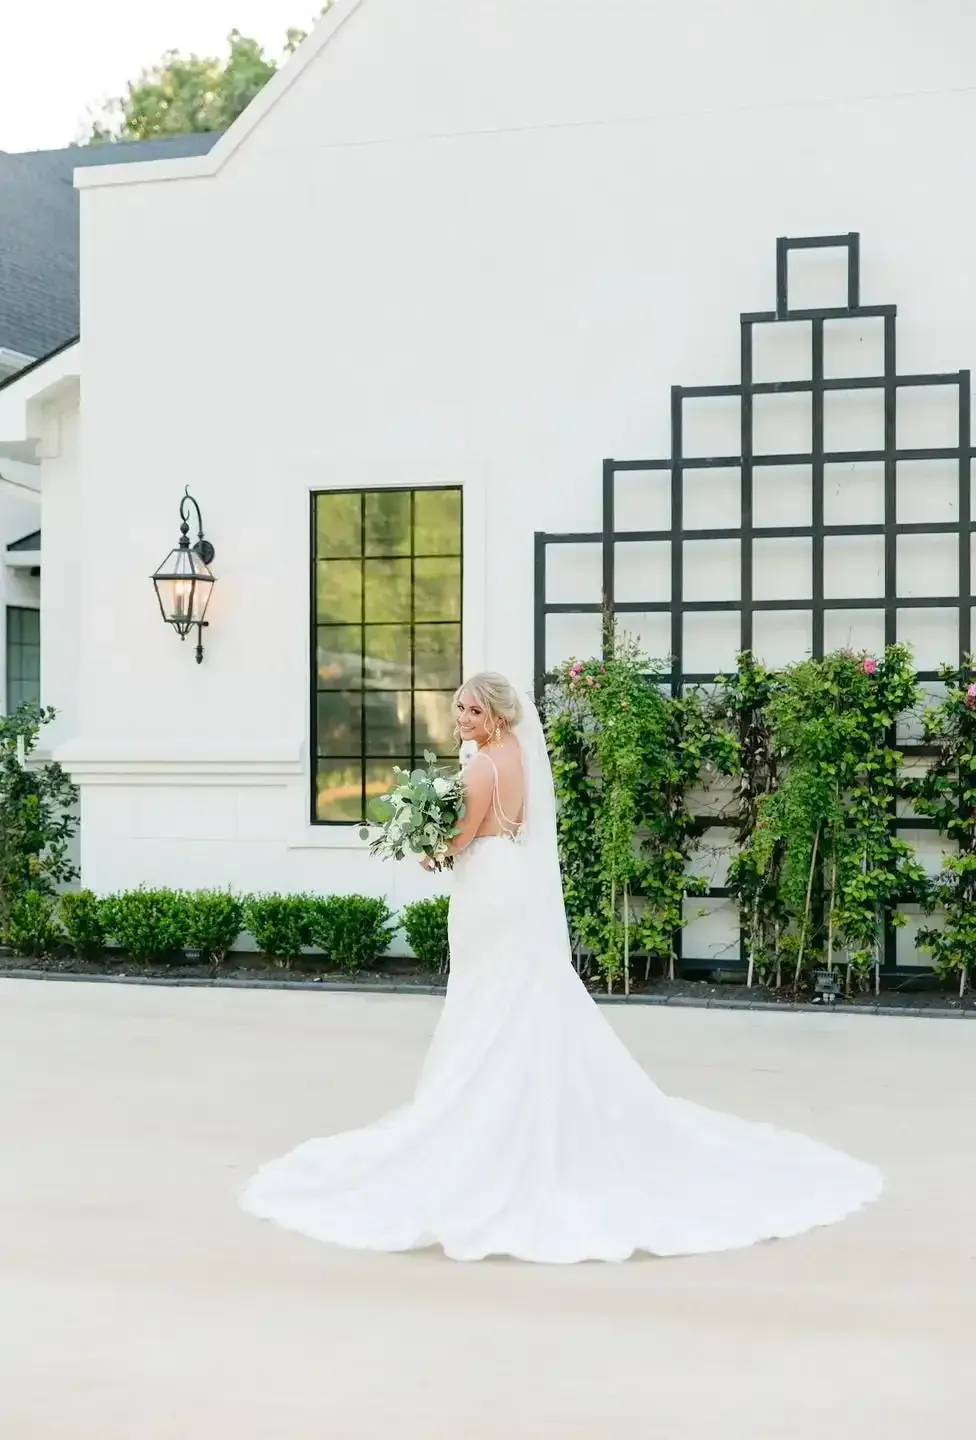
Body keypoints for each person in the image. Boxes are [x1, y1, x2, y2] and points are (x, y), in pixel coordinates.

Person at [240, 673, 882, 1263]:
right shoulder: (515, 758)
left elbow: (464, 837)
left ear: (492, 714)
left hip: (488, 886)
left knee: (490, 996)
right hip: (510, 879)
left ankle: (488, 1121)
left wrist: (430, 844)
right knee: (521, 992)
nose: (459, 716)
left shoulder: (484, 765)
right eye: (458, 707)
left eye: (468, 708)